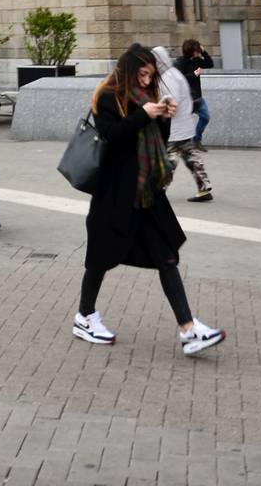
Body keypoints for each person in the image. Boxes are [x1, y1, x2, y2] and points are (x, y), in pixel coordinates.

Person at [72, 43, 225, 355]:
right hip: (114, 196)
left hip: (146, 194)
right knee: (99, 260)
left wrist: (163, 115)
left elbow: (156, 138)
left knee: (167, 258)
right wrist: (143, 115)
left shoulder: (147, 98)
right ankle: (85, 316)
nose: (146, 80)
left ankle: (188, 329)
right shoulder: (107, 97)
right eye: (141, 74)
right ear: (128, 71)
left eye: (150, 75)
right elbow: (113, 137)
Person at [152, 46, 212, 202]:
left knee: (168, 160)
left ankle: (158, 190)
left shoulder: (167, 77)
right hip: (183, 125)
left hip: (174, 127)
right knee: (190, 156)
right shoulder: (173, 73)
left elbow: (172, 101)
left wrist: (155, 111)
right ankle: (204, 187)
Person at [177, 37, 214, 149]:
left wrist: (204, 52)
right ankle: (181, 143)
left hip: (197, 97)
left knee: (205, 117)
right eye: (198, 50)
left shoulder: (196, 60)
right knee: (182, 122)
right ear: (192, 52)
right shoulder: (180, 62)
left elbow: (209, 64)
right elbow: (179, 78)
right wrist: (194, 74)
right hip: (186, 98)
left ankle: (196, 140)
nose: (199, 51)